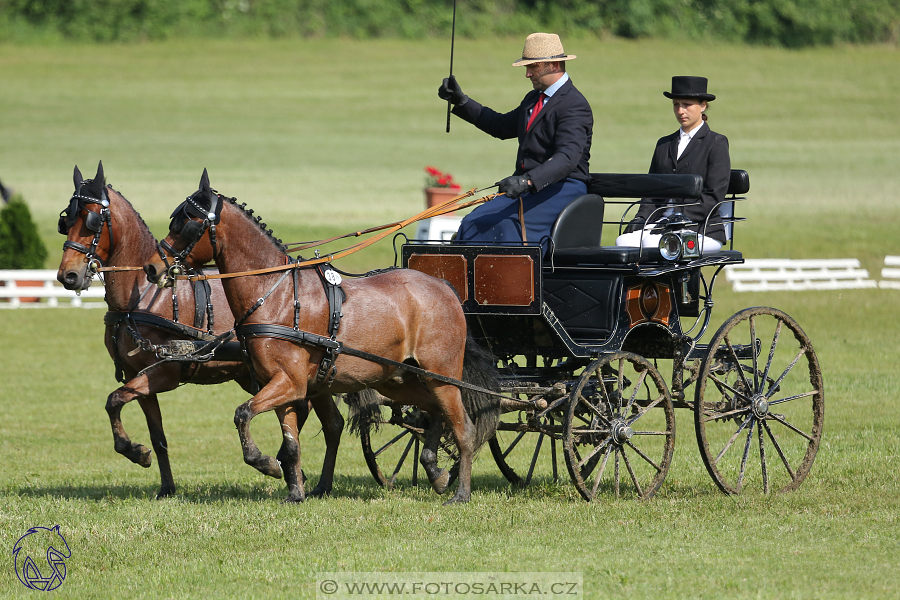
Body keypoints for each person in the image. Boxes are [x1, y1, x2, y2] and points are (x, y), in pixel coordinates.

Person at [438, 33, 593, 247]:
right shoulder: (532, 100)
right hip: (528, 188)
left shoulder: (574, 105)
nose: (527, 74)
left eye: (533, 67)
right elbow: (500, 126)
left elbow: (567, 158)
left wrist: (527, 180)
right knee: (472, 221)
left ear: (554, 64)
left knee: (505, 226)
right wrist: (462, 101)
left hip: (562, 188)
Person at [617, 76, 730, 252]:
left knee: (653, 244)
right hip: (660, 224)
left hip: (701, 227)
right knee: (623, 242)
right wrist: (641, 219)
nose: (680, 111)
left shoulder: (716, 143)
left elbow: (714, 195)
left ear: (703, 105)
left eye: (686, 104)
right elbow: (650, 192)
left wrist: (679, 219)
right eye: (676, 105)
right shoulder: (664, 144)